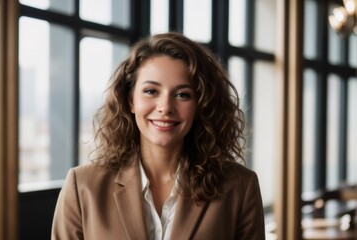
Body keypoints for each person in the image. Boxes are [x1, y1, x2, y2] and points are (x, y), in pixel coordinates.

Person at [51, 32, 265, 240]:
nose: (165, 107)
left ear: (200, 105)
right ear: (130, 100)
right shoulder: (82, 186)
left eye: (183, 94)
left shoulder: (240, 187)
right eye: (151, 91)